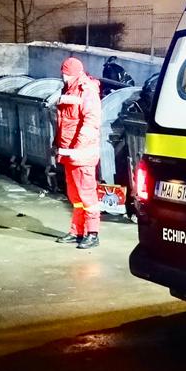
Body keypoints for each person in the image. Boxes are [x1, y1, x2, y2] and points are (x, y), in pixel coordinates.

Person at [55, 56, 102, 249]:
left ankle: (92, 233)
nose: (64, 78)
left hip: (81, 154)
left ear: (73, 74)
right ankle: (77, 231)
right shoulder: (70, 89)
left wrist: (78, 148)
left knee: (87, 195)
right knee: (75, 197)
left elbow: (91, 122)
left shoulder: (86, 90)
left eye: (66, 74)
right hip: (70, 153)